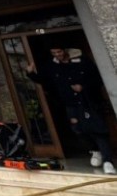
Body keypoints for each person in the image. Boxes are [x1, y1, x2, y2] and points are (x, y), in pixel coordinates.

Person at [25, 46, 116, 175]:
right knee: (78, 129)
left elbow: (97, 78)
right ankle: (95, 150)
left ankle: (108, 161)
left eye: (59, 51)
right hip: (71, 104)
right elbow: (45, 81)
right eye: (54, 53)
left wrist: (83, 87)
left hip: (88, 102)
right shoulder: (52, 66)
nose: (57, 55)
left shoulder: (82, 62)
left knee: (98, 130)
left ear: (65, 51)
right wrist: (31, 73)